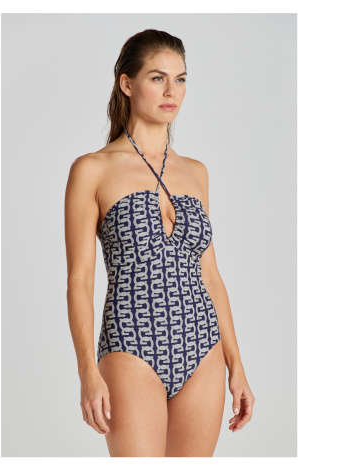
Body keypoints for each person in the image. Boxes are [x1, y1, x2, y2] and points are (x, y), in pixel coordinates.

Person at [64, 29, 254, 457]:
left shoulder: (196, 173)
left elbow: (211, 277)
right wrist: (87, 373)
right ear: (127, 84)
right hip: (130, 345)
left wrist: (237, 367)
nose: (172, 91)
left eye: (180, 79)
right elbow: (79, 280)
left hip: (203, 346)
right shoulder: (92, 170)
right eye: (158, 78)